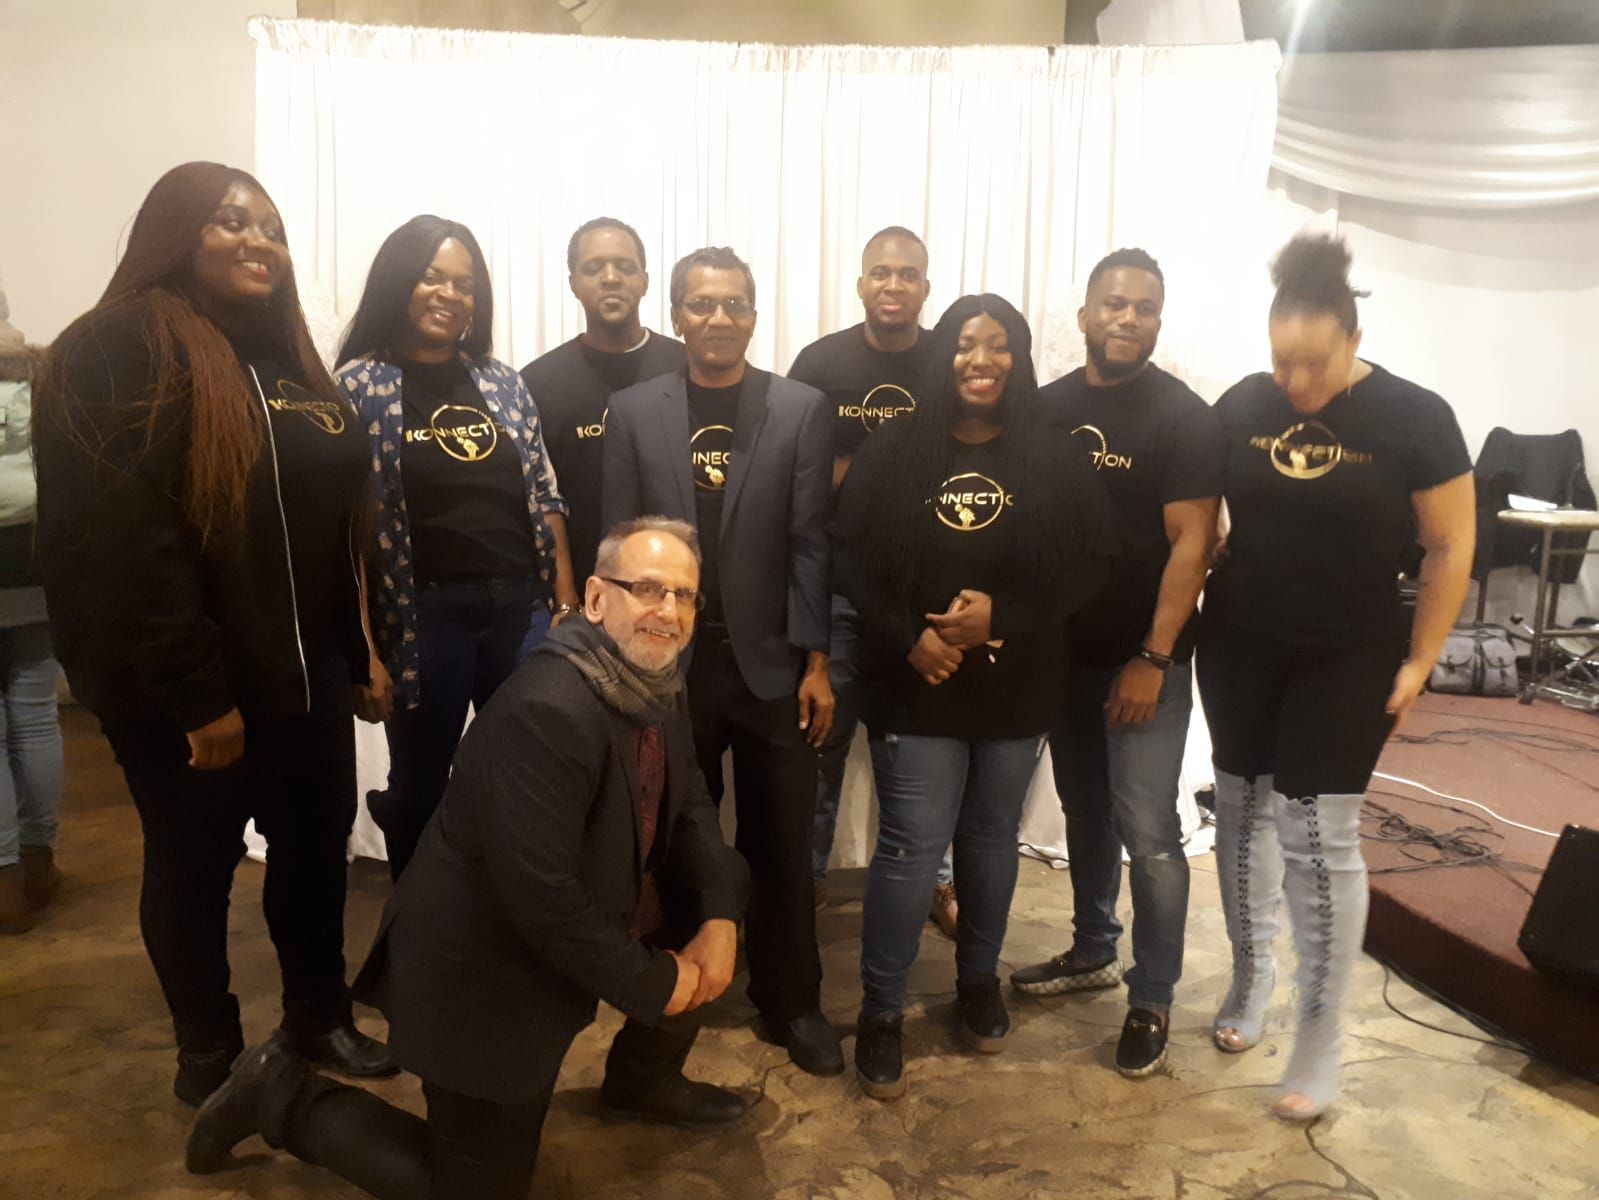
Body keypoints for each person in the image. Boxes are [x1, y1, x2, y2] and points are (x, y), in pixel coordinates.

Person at [185, 518, 752, 1200]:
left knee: (718, 883)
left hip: (577, 911)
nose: (668, 611)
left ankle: (641, 1082)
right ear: (597, 599)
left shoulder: (655, 681)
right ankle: (279, 1094)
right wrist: (654, 983)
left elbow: (690, 803)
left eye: (684, 595)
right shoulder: (549, 710)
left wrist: (718, 919)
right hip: (485, 969)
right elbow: (540, 897)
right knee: (473, 1188)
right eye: (648, 589)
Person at [33, 162, 394, 1104]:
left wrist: (360, 649)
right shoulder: (116, 347)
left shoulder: (286, 360)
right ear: (174, 231)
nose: (257, 241)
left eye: (270, 227)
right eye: (230, 221)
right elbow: (121, 542)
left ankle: (317, 1017)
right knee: (193, 867)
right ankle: (210, 1055)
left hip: (306, 675)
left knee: (313, 855)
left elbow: (334, 527)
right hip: (193, 692)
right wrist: (198, 696)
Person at [1197, 233, 1474, 1119]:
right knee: (1241, 815)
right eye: (1281, 361)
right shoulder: (1242, 403)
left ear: (1353, 339)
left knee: (1317, 835)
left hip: (1348, 652)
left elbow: (1449, 543)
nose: (1294, 383)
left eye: (1313, 365)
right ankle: (1250, 978)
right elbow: (1199, 514)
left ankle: (1318, 1040)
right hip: (1239, 643)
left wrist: (1421, 658)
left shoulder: (1413, 416)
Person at [836, 294, 1118, 1100]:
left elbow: (1091, 565)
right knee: (910, 847)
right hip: (916, 680)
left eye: (998, 346)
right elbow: (850, 558)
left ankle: (976, 983)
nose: (980, 360)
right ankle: (882, 1012)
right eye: (965, 345)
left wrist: (1005, 618)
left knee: (991, 840)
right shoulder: (894, 448)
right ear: (942, 356)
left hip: (1015, 682)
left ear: (1018, 359)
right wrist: (908, 638)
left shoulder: (1052, 454)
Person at [602, 247, 841, 1076]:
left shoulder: (799, 408)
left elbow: (811, 545)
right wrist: (625, 666)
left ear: (752, 315)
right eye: (701, 304)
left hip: (772, 668)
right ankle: (673, 1005)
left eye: (734, 304)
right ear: (675, 315)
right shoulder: (634, 412)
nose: (718, 318)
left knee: (782, 843)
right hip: (669, 673)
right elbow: (619, 548)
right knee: (675, 842)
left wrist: (817, 662)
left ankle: (792, 1001)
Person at [1012, 249, 1223, 1077]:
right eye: (1113, 304)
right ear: (1085, 317)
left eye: (1143, 307)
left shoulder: (1183, 419)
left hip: (1143, 665)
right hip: (1061, 658)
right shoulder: (1046, 408)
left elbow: (1191, 545)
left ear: (1157, 321)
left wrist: (1152, 656)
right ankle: (1092, 948)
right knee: (1086, 810)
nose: (1127, 318)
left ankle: (1152, 996)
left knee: (1150, 829)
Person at [335, 216, 579, 879]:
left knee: (526, 767)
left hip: (520, 609)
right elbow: (348, 534)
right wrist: (365, 648)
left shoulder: (501, 382)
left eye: (464, 284)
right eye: (431, 277)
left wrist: (564, 604)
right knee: (421, 782)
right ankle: (418, 917)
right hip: (424, 618)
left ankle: (502, 908)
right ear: (399, 283)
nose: (449, 294)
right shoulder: (360, 387)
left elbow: (544, 495)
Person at [787, 226, 957, 934]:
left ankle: (936, 880)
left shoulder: (951, 360)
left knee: (929, 746)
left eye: (907, 274)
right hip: (837, 586)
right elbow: (795, 468)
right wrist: (888, 475)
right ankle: (806, 881)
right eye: (880, 272)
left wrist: (859, 473)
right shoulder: (820, 362)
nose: (893, 284)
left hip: (927, 593)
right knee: (822, 744)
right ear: (860, 284)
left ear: (925, 287)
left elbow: (968, 466)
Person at [520, 217, 686, 582]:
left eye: (625, 266)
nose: (611, 278)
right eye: (594, 268)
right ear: (573, 284)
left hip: (679, 587)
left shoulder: (686, 368)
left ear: (645, 281)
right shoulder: (536, 383)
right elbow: (538, 503)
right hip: (583, 587)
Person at [0, 310, 64, 934]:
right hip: (37, 561)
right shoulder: (43, 376)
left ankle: (4, 881)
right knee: (37, 713)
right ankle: (40, 858)